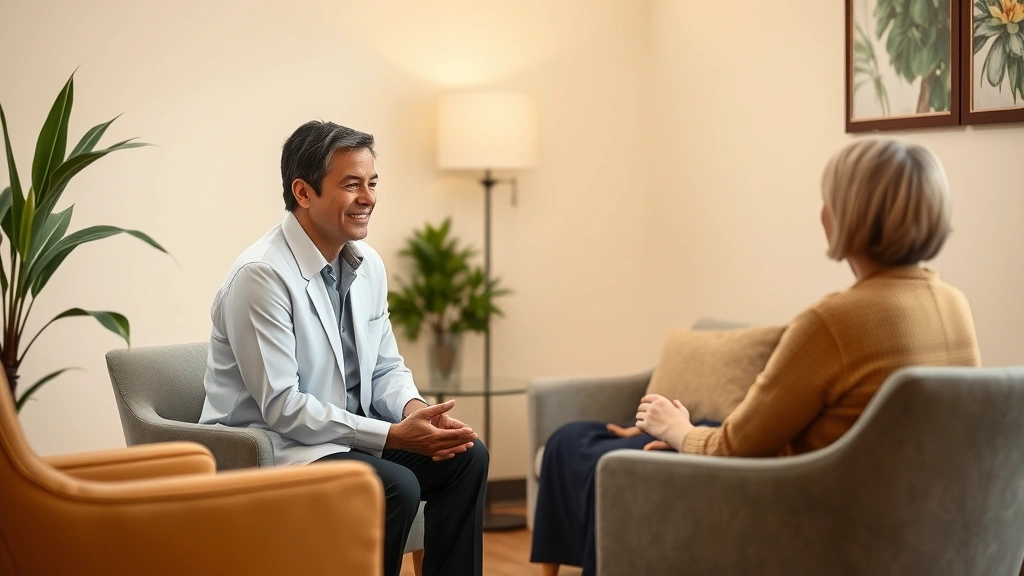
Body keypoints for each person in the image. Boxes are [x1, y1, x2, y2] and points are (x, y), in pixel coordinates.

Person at [531, 137, 981, 576]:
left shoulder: (834, 320)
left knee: (581, 445)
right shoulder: (954, 305)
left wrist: (678, 430)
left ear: (845, 217)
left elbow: (733, 449)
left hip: (797, 509)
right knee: (601, 438)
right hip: (901, 521)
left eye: (829, 200)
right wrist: (683, 430)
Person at [200, 121, 489, 576]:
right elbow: (283, 406)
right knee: (393, 486)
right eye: (351, 184)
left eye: (372, 183)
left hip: (345, 440)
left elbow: (384, 368)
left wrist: (416, 412)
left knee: (464, 456)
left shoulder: (366, 264)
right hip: (274, 450)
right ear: (303, 192)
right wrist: (392, 436)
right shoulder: (261, 275)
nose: (368, 197)